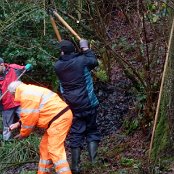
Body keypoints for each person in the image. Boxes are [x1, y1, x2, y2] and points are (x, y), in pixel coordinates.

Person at [54, 39, 101, 173]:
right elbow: (94, 61)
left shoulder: (57, 66)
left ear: (62, 52)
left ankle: (75, 165)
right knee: (92, 130)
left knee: (76, 133)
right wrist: (85, 48)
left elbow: (66, 60)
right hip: (88, 103)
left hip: (72, 106)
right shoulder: (82, 61)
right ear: (74, 50)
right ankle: (93, 161)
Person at [8, 81, 73, 174]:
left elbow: (29, 120)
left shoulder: (26, 95)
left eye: (12, 95)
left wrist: (23, 134)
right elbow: (32, 113)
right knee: (44, 146)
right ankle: (43, 172)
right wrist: (18, 123)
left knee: (54, 149)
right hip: (59, 118)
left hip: (59, 120)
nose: (13, 98)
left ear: (14, 92)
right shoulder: (28, 90)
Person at [0, 57, 32, 140]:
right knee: (7, 127)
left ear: (2, 65)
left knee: (27, 120)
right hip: (6, 105)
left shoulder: (13, 68)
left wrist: (28, 67)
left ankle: (29, 138)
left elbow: (25, 69)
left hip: (19, 101)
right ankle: (7, 143)